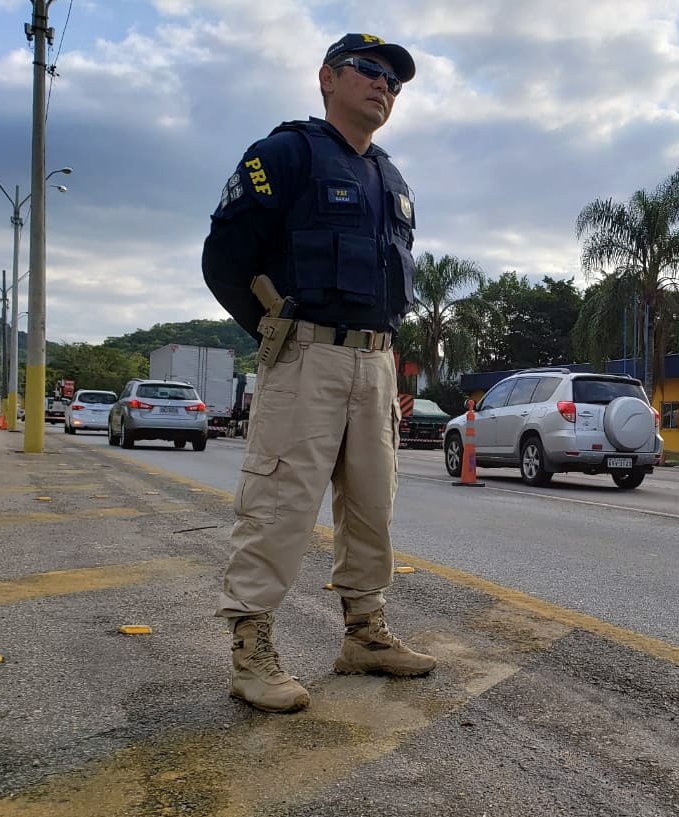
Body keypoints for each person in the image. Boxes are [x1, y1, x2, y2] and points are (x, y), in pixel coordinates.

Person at [202, 33, 434, 714]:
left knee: (373, 507)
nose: (383, 85)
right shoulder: (286, 154)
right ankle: (252, 651)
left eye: (394, 80)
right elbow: (225, 256)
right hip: (305, 354)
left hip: (376, 360)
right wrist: (273, 328)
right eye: (369, 71)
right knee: (279, 504)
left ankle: (365, 634)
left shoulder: (391, 178)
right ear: (327, 78)